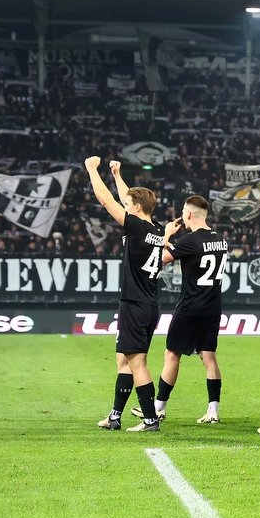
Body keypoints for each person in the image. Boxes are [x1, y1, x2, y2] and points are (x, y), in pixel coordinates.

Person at [128, 195, 227, 425]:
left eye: (183, 211)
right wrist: (174, 244)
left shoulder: (190, 240)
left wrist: (166, 236)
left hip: (190, 307)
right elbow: (191, 253)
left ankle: (158, 407)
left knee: (172, 354)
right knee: (208, 356)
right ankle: (213, 410)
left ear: (189, 214)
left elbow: (159, 260)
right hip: (213, 306)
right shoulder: (220, 239)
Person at [88, 157, 164, 433]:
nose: (125, 206)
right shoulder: (155, 229)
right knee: (124, 359)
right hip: (149, 303)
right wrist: (118, 174)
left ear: (137, 209)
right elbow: (125, 198)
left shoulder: (137, 226)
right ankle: (116, 415)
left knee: (137, 361)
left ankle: (149, 420)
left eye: (129, 205)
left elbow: (107, 201)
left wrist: (92, 170)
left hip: (135, 303)